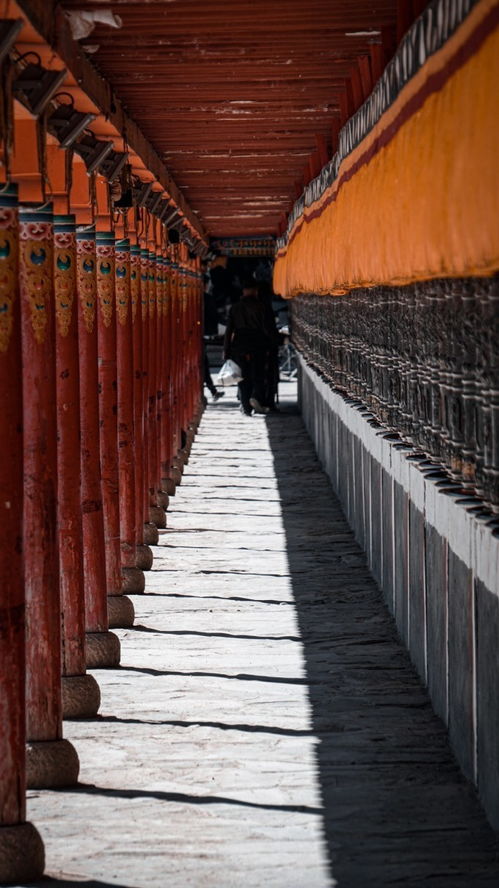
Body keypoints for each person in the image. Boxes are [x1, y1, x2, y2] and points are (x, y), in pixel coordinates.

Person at [223, 278, 273, 415]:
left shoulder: (235, 308)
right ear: (255, 291)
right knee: (258, 374)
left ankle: (246, 406)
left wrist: (226, 350)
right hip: (258, 343)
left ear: (244, 291)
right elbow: (267, 328)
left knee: (243, 377)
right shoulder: (262, 306)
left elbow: (229, 331)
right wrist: (271, 343)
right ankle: (256, 397)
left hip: (239, 344)